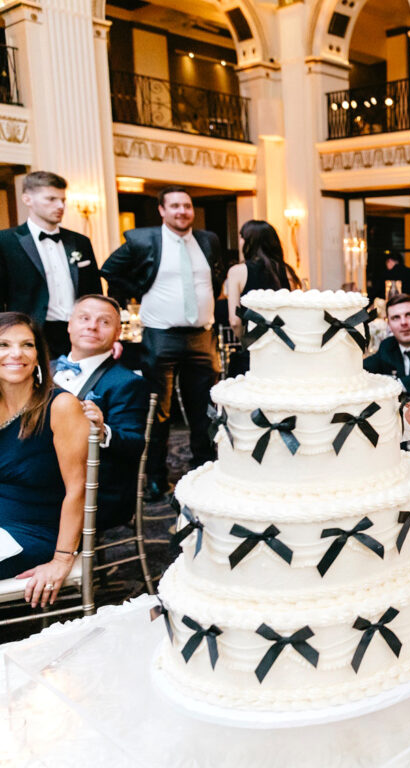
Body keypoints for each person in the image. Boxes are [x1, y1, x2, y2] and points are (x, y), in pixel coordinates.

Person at [100, 186, 226, 501]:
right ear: (162, 210)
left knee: (206, 410)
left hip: (201, 337)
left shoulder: (208, 240)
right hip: (160, 337)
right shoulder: (142, 240)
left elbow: (215, 277)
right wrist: (139, 289)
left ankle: (204, 470)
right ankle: (156, 479)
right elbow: (109, 269)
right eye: (174, 206)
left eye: (187, 205)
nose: (182, 211)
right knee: (158, 412)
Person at [0, 313, 90, 607]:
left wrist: (63, 559)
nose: (16, 353)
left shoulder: (61, 405)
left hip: (33, 531)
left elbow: (78, 489)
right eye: (4, 344)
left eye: (27, 344)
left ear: (39, 355)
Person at [53, 295, 149, 529]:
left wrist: (102, 431)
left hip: (93, 490)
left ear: (118, 333)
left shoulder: (126, 382)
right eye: (84, 318)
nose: (92, 326)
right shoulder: (45, 369)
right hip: (36, 478)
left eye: (104, 322)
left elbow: (135, 443)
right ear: (69, 324)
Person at [0, 172, 102, 357]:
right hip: (30, 332)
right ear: (27, 199)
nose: (61, 206)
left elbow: (94, 292)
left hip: (78, 332)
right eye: (51, 199)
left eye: (63, 200)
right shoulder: (5, 241)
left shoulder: (80, 242)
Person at [226, 220, 301, 375]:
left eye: (241, 237)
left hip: (255, 350)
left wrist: (245, 341)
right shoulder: (288, 272)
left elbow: (235, 320)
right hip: (283, 350)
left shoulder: (237, 272)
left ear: (248, 241)